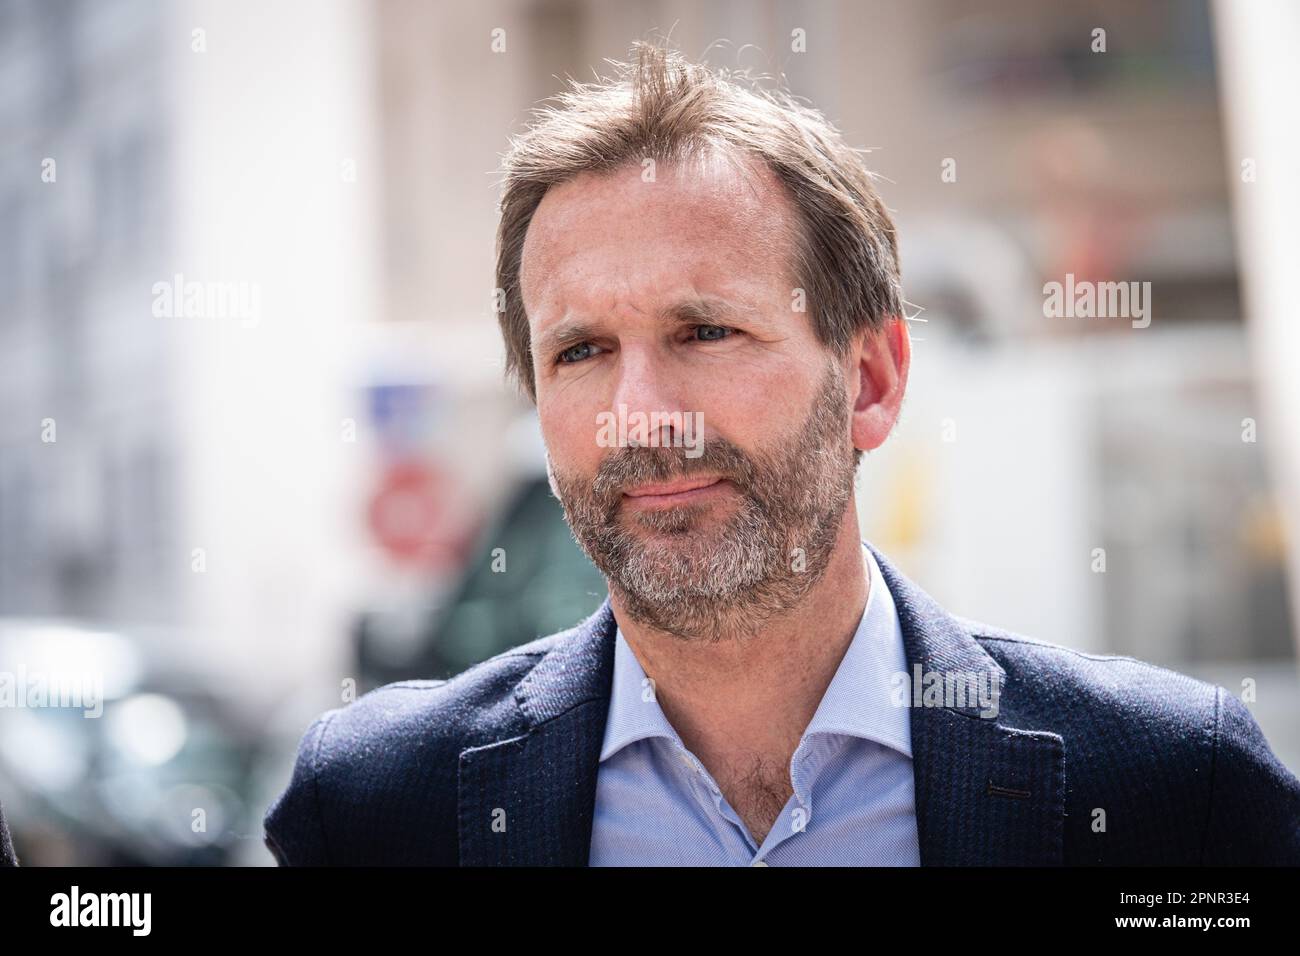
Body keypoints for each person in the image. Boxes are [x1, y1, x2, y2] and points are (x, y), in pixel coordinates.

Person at [264, 41, 1300, 866]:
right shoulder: (376, 809)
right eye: (580, 351)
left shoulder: (1174, 790)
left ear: (873, 379)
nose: (639, 415)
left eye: (705, 330)